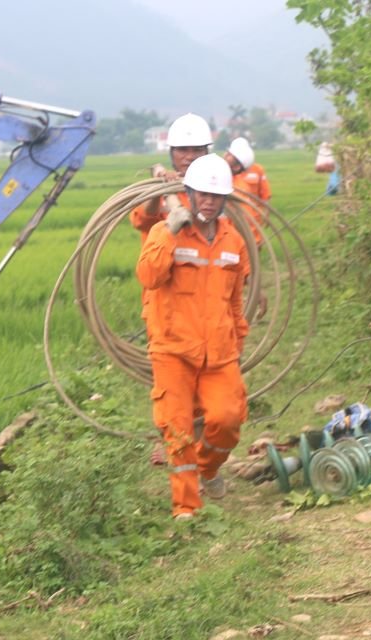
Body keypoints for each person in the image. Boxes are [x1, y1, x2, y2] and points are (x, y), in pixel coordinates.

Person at [136, 154, 250, 520]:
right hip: (173, 349)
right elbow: (149, 277)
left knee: (228, 418)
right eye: (202, 193)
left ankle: (208, 469)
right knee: (179, 431)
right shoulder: (164, 232)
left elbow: (234, 302)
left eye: (215, 195)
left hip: (219, 352)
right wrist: (169, 230)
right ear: (188, 192)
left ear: (224, 200)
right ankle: (186, 508)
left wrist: (238, 344)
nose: (208, 200)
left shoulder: (234, 241)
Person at [130, 113, 212, 244]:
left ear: (206, 153)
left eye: (197, 150)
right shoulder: (158, 189)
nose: (190, 156)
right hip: (163, 261)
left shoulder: (218, 191)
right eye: (183, 150)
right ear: (172, 153)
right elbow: (142, 223)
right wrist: (159, 189)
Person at [224, 137, 271, 246]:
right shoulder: (218, 175)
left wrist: (266, 215)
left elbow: (265, 194)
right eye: (227, 154)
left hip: (241, 235)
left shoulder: (241, 185)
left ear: (237, 167)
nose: (226, 156)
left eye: (230, 156)